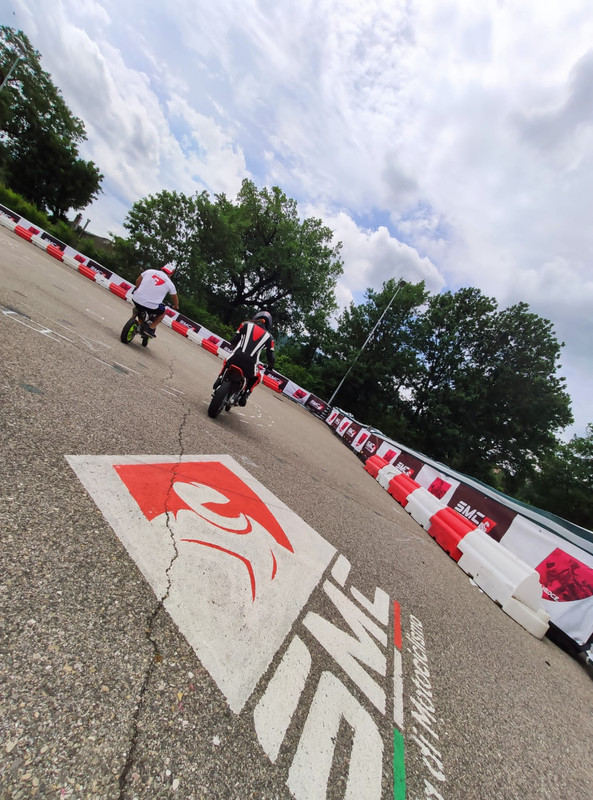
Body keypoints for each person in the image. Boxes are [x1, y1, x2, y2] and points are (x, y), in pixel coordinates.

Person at [214, 310, 275, 406]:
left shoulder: (245, 324)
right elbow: (270, 357)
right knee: (257, 377)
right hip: (250, 365)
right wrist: (270, 367)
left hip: (235, 358)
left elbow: (233, 341)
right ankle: (246, 394)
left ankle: (220, 378)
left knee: (227, 361)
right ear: (269, 325)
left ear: (256, 318)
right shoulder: (270, 338)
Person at [131, 263, 179, 337]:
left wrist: (137, 289)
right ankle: (151, 328)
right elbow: (175, 298)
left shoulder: (149, 271)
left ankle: (133, 317)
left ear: (162, 268)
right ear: (171, 273)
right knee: (162, 312)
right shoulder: (170, 284)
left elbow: (138, 280)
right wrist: (175, 306)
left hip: (136, 299)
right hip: (151, 306)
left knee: (139, 305)